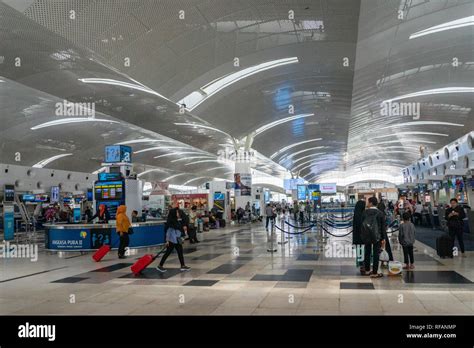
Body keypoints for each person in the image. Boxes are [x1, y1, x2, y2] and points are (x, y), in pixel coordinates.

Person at [157, 206, 191, 272]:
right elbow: (168, 232)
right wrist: (167, 241)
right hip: (172, 241)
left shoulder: (176, 221)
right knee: (168, 253)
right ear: (173, 213)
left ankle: (182, 266)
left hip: (177, 240)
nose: (178, 214)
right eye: (177, 212)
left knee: (180, 252)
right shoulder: (171, 222)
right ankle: (160, 265)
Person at [361, 197, 386, 278]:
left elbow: (362, 225)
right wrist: (383, 238)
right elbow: (383, 227)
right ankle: (375, 272)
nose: (367, 204)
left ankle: (367, 270)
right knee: (376, 253)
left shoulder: (364, 212)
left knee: (367, 252)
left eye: (368, 202)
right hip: (377, 236)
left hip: (367, 235)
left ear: (371, 203)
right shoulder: (380, 213)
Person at [352, 200, 366, 272]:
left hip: (357, 237)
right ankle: (364, 265)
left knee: (359, 251)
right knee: (363, 251)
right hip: (363, 237)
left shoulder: (356, 214)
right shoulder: (362, 214)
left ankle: (361, 265)